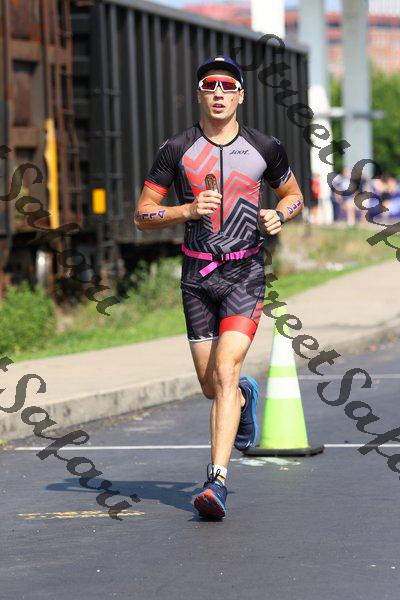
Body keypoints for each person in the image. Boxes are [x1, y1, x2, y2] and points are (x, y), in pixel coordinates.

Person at [134, 55, 304, 519]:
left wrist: (280, 214)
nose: (219, 93)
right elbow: (143, 214)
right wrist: (186, 211)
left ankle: (216, 481)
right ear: (199, 95)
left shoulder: (265, 146)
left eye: (228, 86)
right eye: (210, 85)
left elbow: (293, 195)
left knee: (226, 370)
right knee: (212, 387)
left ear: (241, 96)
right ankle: (244, 397)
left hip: (245, 274)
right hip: (196, 278)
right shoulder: (177, 149)